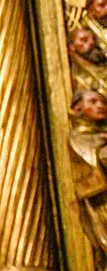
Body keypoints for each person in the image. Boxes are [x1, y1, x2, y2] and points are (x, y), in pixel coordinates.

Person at [71, 88, 107, 270]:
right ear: (78, 109)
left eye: (102, 102)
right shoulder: (80, 137)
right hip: (100, 202)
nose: (100, 106)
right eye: (93, 102)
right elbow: (98, 159)